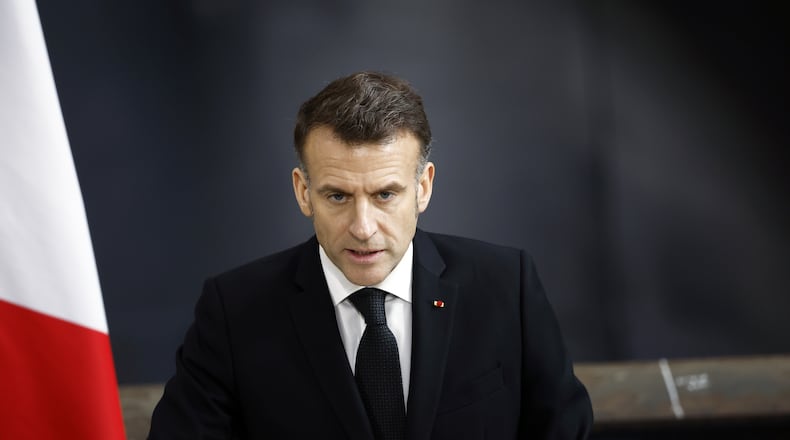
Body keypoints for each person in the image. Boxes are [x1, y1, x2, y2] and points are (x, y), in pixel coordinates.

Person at [148, 71, 593, 439]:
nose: (363, 227)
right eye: (338, 196)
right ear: (304, 192)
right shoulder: (234, 312)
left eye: (384, 194)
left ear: (423, 187)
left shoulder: (506, 287)